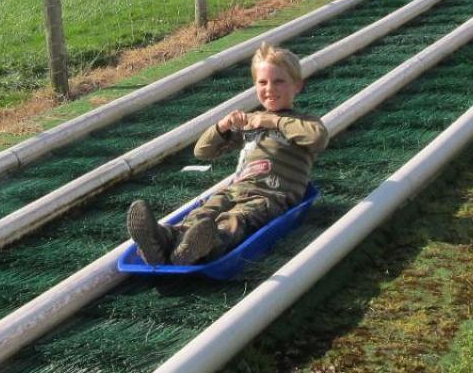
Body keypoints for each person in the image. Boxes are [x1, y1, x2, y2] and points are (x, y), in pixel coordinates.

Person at [126, 43, 329, 266]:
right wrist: (223, 126)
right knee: (203, 213)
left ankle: (209, 244)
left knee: (236, 219)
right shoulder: (251, 123)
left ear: (297, 86)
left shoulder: (303, 120)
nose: (270, 88)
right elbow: (202, 151)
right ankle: (164, 242)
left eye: (278, 81)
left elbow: (317, 138)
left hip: (270, 195)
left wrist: (274, 121)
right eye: (262, 82)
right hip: (235, 189)